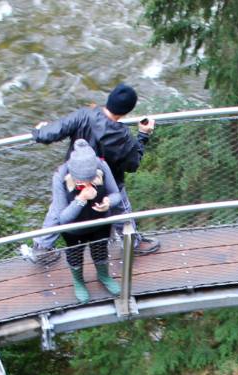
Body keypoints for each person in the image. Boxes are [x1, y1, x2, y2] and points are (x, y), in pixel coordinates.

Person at [22, 82, 160, 264]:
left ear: (108, 100)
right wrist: (143, 135)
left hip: (74, 177)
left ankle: (41, 249)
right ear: (127, 111)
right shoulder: (123, 135)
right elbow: (132, 164)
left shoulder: (84, 115)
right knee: (120, 207)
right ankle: (131, 241)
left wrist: (40, 131)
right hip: (107, 182)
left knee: (58, 209)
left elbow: (51, 133)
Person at [44, 140, 123, 302]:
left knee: (100, 250)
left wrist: (108, 202)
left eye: (91, 180)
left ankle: (103, 276)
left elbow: (116, 194)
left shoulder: (102, 166)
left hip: (99, 222)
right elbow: (62, 217)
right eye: (81, 182)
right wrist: (80, 199)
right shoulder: (60, 176)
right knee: (75, 255)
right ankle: (78, 281)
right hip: (74, 229)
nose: (87, 185)